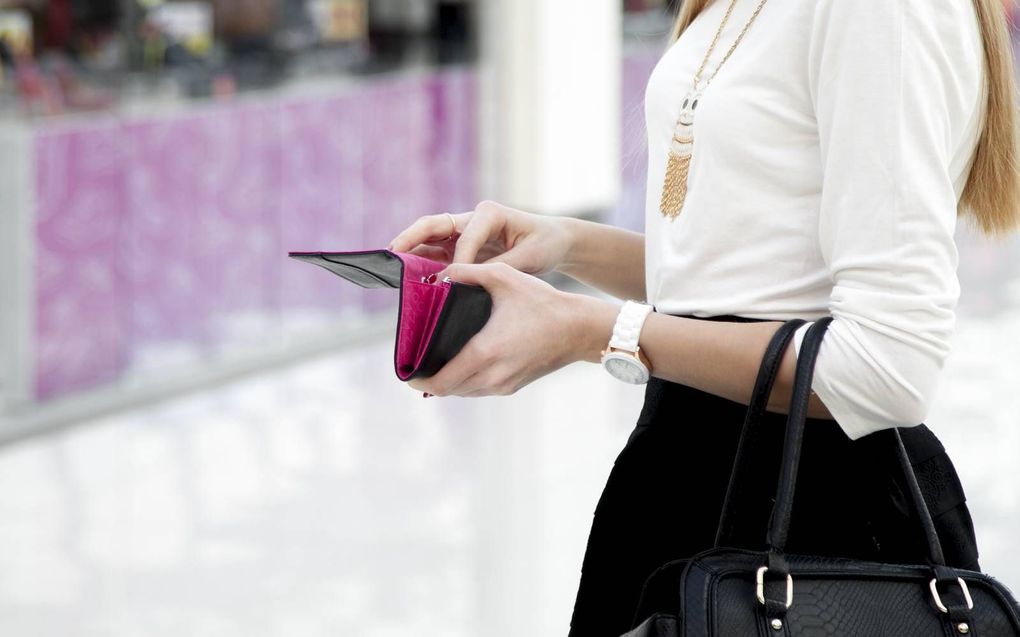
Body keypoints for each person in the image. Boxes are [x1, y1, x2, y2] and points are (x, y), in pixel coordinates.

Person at [387, 0, 1020, 634]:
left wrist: (593, 331)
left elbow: (889, 367)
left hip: (814, 510)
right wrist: (565, 244)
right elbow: (747, 284)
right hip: (691, 477)